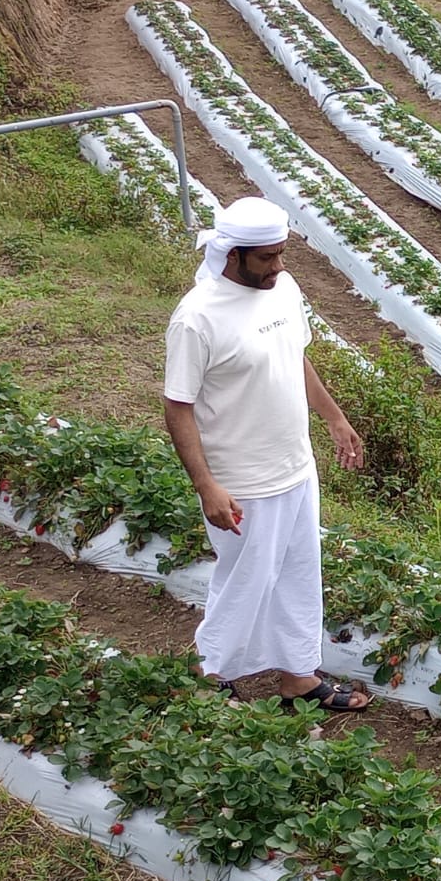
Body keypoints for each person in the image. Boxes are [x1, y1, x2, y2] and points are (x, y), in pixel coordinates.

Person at [164, 195, 371, 711]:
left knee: (300, 573)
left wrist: (334, 417)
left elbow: (294, 357)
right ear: (232, 255)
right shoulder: (197, 318)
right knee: (247, 579)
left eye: (282, 254)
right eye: (267, 258)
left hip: (295, 467)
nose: (279, 266)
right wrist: (206, 485)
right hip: (243, 481)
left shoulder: (283, 289)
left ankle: (298, 676)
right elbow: (178, 407)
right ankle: (208, 673)